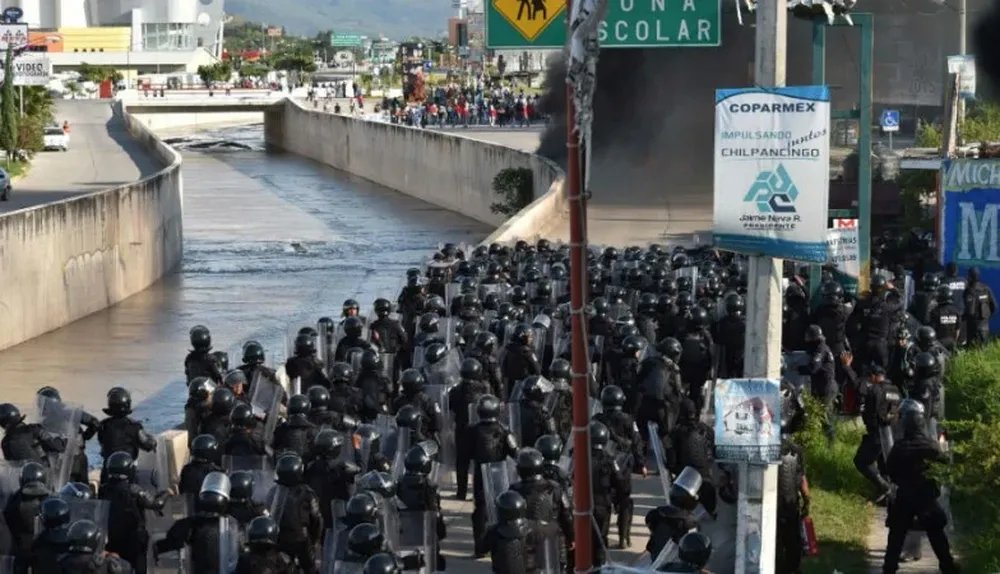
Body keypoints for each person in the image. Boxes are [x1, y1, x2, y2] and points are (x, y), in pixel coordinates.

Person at [882, 400, 960, 574]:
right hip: (927, 498)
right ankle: (948, 566)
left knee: (896, 535)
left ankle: (889, 568)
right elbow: (945, 466)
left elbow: (890, 472)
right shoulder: (932, 446)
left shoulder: (899, 448)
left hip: (906, 497)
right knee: (937, 533)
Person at [962, 267, 996, 345]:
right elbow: (994, 307)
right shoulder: (986, 289)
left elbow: (970, 311)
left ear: (970, 277)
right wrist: (985, 318)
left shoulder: (970, 291)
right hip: (985, 327)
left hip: (973, 329)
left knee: (972, 351)